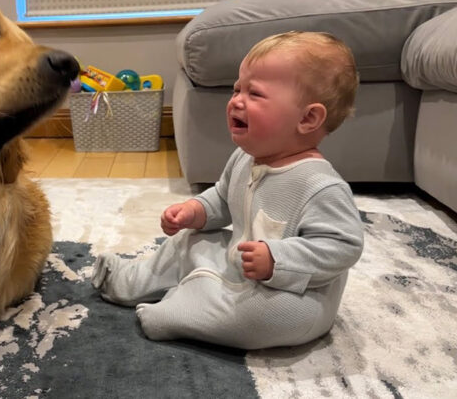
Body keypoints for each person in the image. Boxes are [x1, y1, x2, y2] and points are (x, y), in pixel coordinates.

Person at [91, 31, 365, 350]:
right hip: (240, 262)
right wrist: (196, 212)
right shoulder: (244, 158)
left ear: (308, 118)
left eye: (255, 94)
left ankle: (180, 311)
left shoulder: (319, 185)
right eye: (237, 89)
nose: (236, 100)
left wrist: (278, 260)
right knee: (188, 242)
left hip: (295, 292)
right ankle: (131, 280)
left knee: (261, 316)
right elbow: (223, 197)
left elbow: (343, 247)